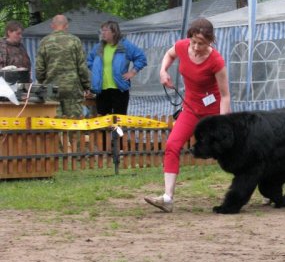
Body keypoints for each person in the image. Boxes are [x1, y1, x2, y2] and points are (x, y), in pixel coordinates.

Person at [144, 18, 231, 213]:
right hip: (190, 108)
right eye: (194, 41)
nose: (196, 47)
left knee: (233, 152)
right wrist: (163, 71)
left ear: (210, 42)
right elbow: (169, 53)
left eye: (202, 43)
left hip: (213, 113)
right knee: (172, 145)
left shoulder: (216, 61)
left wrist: (223, 123)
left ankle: (264, 182)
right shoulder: (183, 47)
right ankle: (167, 198)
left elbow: (225, 95)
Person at [87, 21, 147, 115]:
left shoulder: (125, 46)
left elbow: (141, 58)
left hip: (119, 89)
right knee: (102, 122)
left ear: (114, 32)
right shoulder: (98, 47)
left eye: (105, 30)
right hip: (101, 90)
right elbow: (89, 61)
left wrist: (133, 72)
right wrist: (96, 71)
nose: (103, 33)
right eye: (102, 31)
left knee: (118, 122)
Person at [36, 15, 91, 117]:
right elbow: (82, 66)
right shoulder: (75, 41)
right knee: (73, 123)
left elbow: (39, 68)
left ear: (52, 26)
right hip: (72, 88)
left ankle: (58, 133)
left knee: (55, 123)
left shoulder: (44, 42)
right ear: (66, 26)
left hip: (51, 88)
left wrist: (42, 82)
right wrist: (86, 85)